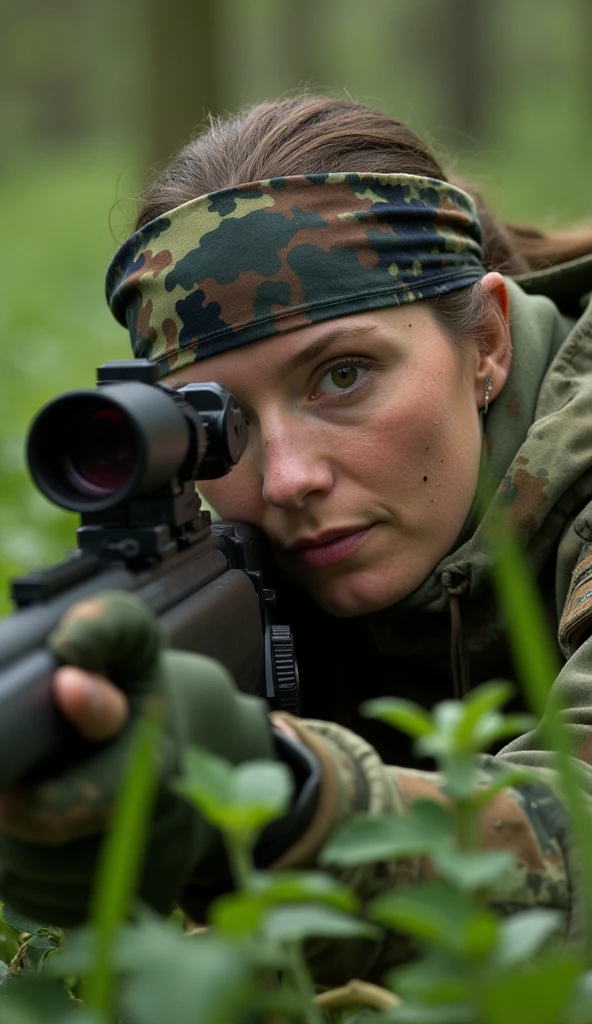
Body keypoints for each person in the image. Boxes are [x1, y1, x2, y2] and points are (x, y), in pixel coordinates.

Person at [1, 94, 592, 982]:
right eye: (223, 419)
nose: (286, 479)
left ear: (489, 342)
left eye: (343, 375)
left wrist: (282, 797)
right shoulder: (228, 570)